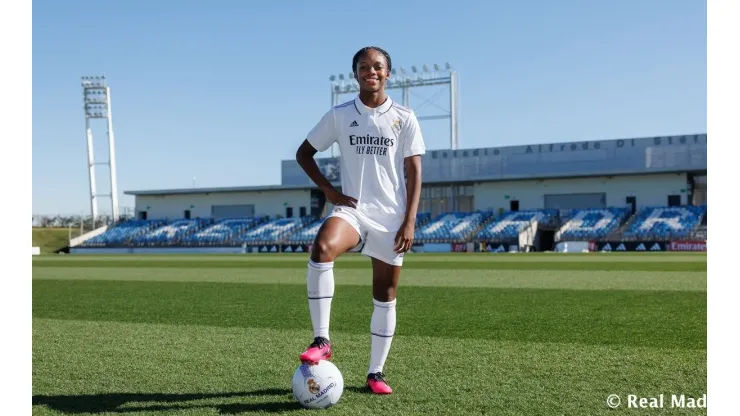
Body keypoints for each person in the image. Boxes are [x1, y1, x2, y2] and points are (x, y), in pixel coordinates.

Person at [294, 46, 425, 395]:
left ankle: (375, 373)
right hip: (352, 209)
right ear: (354, 74)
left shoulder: (404, 116)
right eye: (364, 67)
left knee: (385, 294)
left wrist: (410, 220)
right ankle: (322, 339)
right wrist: (328, 191)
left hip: (391, 218)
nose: (372, 71)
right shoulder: (339, 115)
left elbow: (414, 170)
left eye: (378, 66)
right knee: (322, 246)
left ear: (388, 73)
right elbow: (303, 154)